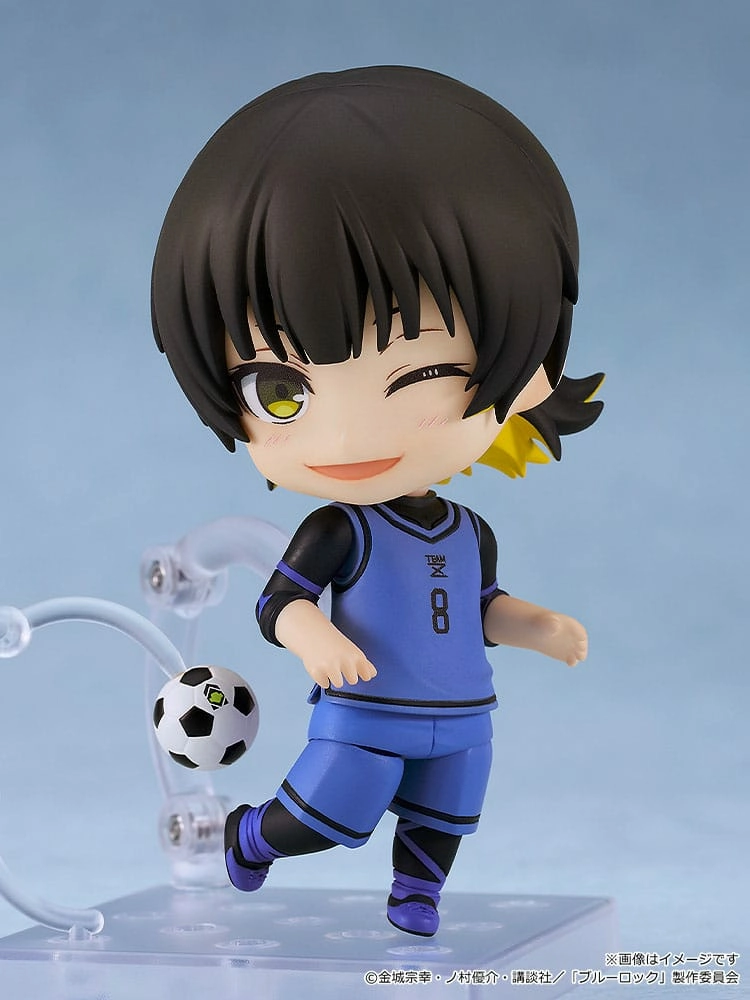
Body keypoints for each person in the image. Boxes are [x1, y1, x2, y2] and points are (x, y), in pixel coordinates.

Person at [151, 66, 603, 936]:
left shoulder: (469, 530)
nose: (350, 436)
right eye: (281, 390)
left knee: (446, 814)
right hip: (365, 714)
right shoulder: (339, 527)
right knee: (329, 815)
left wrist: (538, 627)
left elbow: (479, 607)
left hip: (462, 713)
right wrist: (314, 636)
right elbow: (279, 601)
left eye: (420, 374)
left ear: (529, 365)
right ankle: (252, 837)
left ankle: (417, 893)